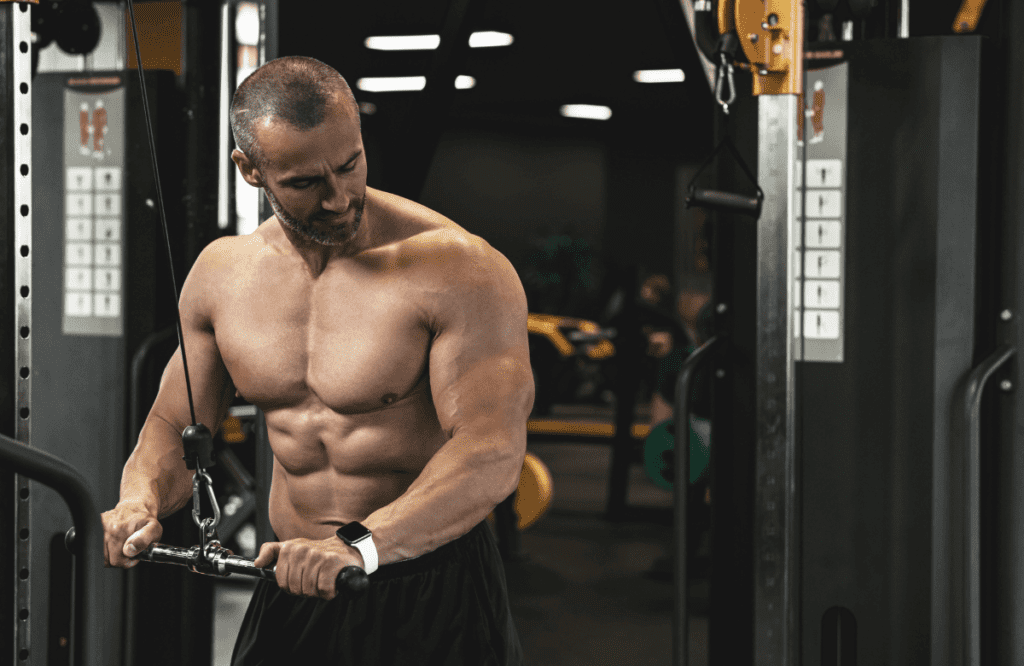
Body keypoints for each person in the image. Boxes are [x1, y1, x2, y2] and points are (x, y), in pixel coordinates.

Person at [101, 55, 532, 665]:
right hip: (295, 578)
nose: (337, 198)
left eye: (350, 165)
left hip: (426, 583)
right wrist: (139, 500)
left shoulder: (458, 269)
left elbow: (490, 450)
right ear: (250, 171)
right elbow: (173, 426)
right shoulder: (222, 276)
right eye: (305, 182)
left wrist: (360, 545)